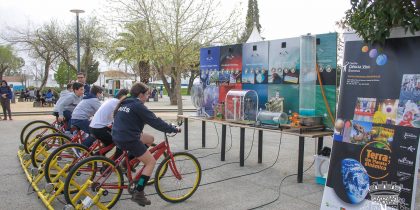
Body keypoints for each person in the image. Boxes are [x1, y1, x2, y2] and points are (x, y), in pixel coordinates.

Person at [112, 82, 180, 206]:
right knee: (150, 162)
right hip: (129, 138)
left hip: (118, 136)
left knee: (149, 139)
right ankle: (139, 192)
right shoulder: (138, 105)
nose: (148, 97)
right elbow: (155, 121)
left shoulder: (126, 102)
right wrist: (172, 128)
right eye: (147, 94)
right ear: (140, 94)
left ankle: (127, 162)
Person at [89, 89, 129, 157]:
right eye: (127, 98)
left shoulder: (111, 100)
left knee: (109, 142)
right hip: (99, 128)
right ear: (123, 96)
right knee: (119, 142)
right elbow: (121, 118)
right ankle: (99, 156)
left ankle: (100, 157)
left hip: (95, 126)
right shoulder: (117, 103)